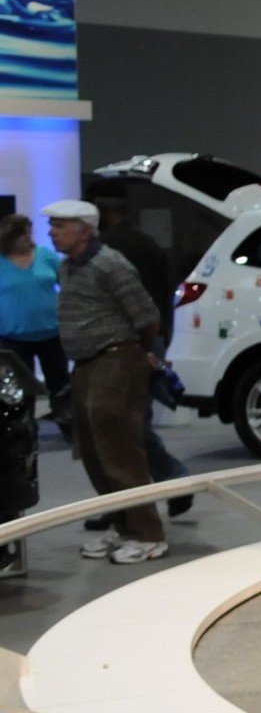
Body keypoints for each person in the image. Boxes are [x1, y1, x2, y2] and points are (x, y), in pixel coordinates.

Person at [40, 198, 168, 562]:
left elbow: (147, 317)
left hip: (116, 360)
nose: (51, 232)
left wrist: (136, 353)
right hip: (86, 364)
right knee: (94, 452)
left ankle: (147, 534)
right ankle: (122, 525)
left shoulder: (111, 264)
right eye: (52, 226)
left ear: (83, 230)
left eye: (58, 226)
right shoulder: (69, 266)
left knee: (120, 450)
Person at [87, 180, 192, 518]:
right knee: (131, 424)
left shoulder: (104, 252)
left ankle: (162, 486)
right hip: (151, 340)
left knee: (122, 428)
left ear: (101, 209)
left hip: (124, 348)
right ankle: (137, 496)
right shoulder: (148, 243)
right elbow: (162, 295)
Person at [0, 212, 70, 414]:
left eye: (29, 233)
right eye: (22, 234)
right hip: (13, 337)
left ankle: (66, 422)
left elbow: (68, 284)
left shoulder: (46, 256)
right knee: (18, 391)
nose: (27, 238)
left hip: (51, 333)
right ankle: (24, 428)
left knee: (60, 385)